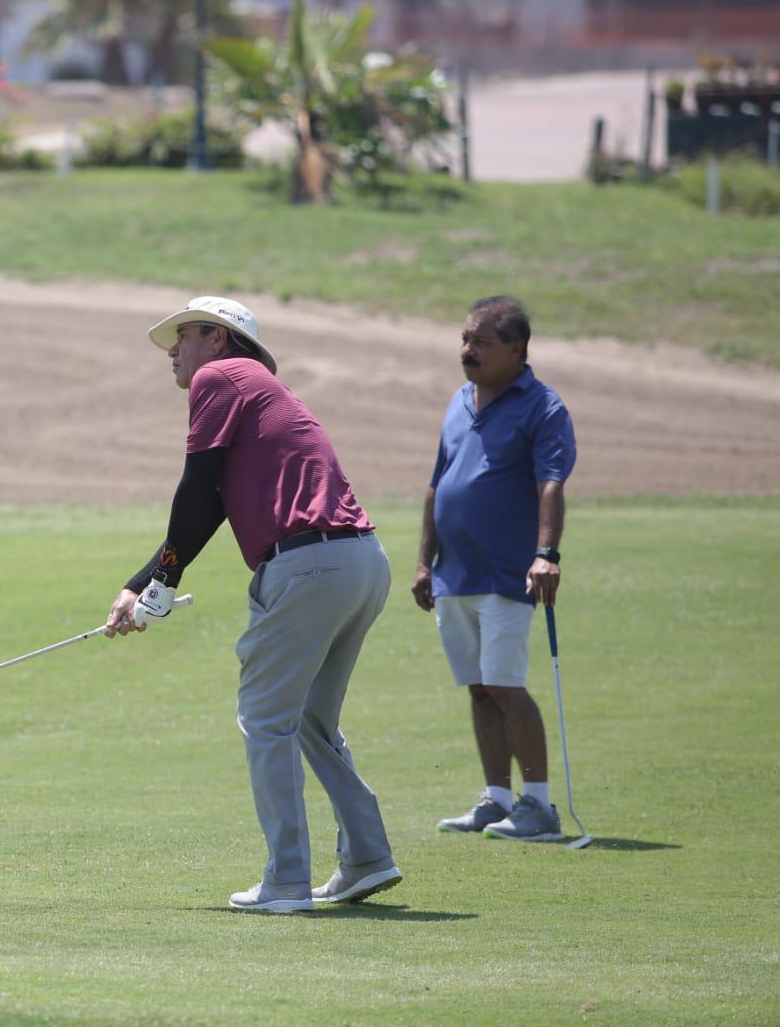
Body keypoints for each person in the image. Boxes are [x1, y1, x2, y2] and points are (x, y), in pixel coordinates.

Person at [105, 296, 401, 913]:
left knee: (266, 718)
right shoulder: (256, 389)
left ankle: (287, 880)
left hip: (309, 565)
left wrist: (164, 581)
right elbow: (212, 504)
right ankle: (368, 857)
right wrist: (144, 582)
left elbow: (194, 486)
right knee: (311, 718)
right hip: (361, 561)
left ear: (217, 339)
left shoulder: (220, 376)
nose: (172, 351)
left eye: (183, 335)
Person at [414, 295, 576, 842]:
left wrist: (546, 554)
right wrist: (424, 562)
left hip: (507, 573)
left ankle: (539, 807)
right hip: (454, 573)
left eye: (481, 342)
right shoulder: (459, 401)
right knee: (479, 688)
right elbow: (438, 485)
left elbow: (550, 484)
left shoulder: (543, 407)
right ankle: (498, 799)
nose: (468, 350)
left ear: (516, 349)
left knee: (506, 685)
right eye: (465, 339)